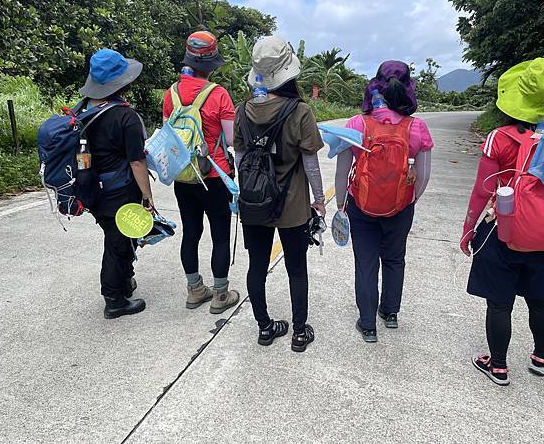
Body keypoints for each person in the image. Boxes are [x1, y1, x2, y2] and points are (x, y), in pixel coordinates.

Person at [460, 58, 544, 386]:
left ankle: (498, 366)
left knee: (499, 302)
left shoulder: (500, 137)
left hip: (503, 230)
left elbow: (482, 191)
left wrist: (469, 229)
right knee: (541, 300)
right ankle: (542, 357)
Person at [234, 36, 325, 352]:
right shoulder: (299, 111)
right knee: (296, 268)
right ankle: (300, 334)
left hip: (254, 202)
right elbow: (311, 163)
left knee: (256, 265)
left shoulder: (243, 110)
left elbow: (240, 159)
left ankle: (264, 328)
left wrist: (244, 191)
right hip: (292, 205)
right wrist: (320, 201)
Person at [335, 61, 433, 342]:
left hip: (361, 203)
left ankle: (367, 324)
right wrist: (409, 199)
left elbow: (342, 172)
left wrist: (342, 204)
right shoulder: (417, 127)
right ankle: (389, 313)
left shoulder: (356, 123)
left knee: (365, 262)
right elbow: (424, 175)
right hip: (400, 206)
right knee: (394, 258)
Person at [162, 31, 239, 314]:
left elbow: (169, 138)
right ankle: (220, 295)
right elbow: (231, 140)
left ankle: (195, 290)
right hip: (214, 175)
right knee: (219, 235)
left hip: (184, 176)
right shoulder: (218, 94)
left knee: (190, 232)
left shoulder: (170, 94)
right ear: (211, 63)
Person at [78, 48, 153, 319]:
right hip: (119, 191)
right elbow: (137, 162)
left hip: (92, 188)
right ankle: (114, 300)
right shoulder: (125, 117)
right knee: (117, 243)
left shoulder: (84, 109)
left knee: (115, 236)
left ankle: (123, 283)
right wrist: (147, 196)